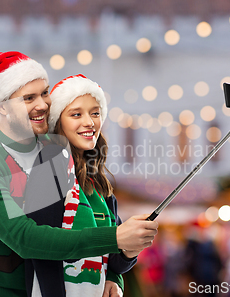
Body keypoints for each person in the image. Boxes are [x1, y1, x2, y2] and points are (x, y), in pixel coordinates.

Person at [0, 51, 159, 296]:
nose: (43, 104)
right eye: (29, 98)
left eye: (45, 92)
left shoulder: (51, 147)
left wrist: (112, 275)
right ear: (2, 107)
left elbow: (97, 210)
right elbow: (24, 238)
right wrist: (115, 238)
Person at [23, 74, 144, 297]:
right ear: (58, 122)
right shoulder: (46, 168)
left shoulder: (99, 185)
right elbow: (41, 247)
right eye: (76, 114)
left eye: (95, 113)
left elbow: (112, 261)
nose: (89, 122)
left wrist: (129, 251)